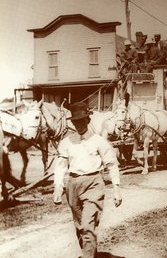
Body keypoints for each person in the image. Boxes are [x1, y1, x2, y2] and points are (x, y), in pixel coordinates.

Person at [53, 102, 122, 258]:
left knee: (87, 226)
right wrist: (58, 187)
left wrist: (117, 189)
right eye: (75, 121)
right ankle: (90, 253)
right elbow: (61, 165)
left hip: (94, 184)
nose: (78, 124)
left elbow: (111, 164)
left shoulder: (99, 141)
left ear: (87, 120)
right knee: (79, 227)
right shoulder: (66, 142)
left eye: (81, 121)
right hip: (73, 186)